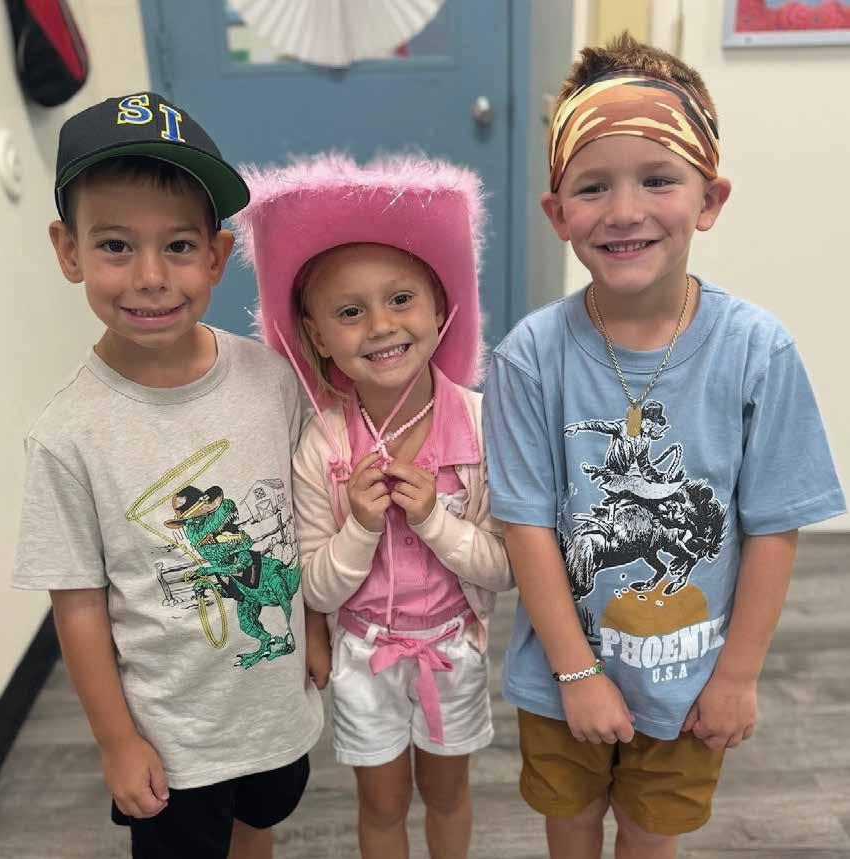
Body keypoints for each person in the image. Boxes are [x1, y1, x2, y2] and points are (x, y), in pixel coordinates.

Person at [482, 33, 846, 859]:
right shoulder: (529, 357)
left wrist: (738, 675)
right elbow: (526, 525)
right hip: (562, 677)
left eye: (657, 179)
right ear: (557, 213)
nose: (624, 210)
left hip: (692, 680)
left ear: (709, 198)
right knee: (571, 825)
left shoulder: (758, 351)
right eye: (593, 186)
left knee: (654, 836)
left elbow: (775, 524)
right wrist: (577, 673)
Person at [12, 92, 327, 859]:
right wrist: (117, 740)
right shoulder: (67, 436)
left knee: (258, 826)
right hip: (172, 735)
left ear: (216, 256)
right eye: (116, 246)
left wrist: (316, 624)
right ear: (69, 251)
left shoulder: (272, 380)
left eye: (179, 246)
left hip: (274, 709)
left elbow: (306, 517)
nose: (151, 276)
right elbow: (78, 607)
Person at [236, 153, 513, 859]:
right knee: (382, 805)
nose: (381, 326)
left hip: (452, 649)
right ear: (318, 335)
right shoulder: (321, 445)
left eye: (401, 299)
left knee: (447, 794)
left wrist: (434, 521)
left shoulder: (480, 425)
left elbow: (503, 567)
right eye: (350, 312)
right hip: (364, 656)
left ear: (441, 308)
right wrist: (360, 526)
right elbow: (315, 588)